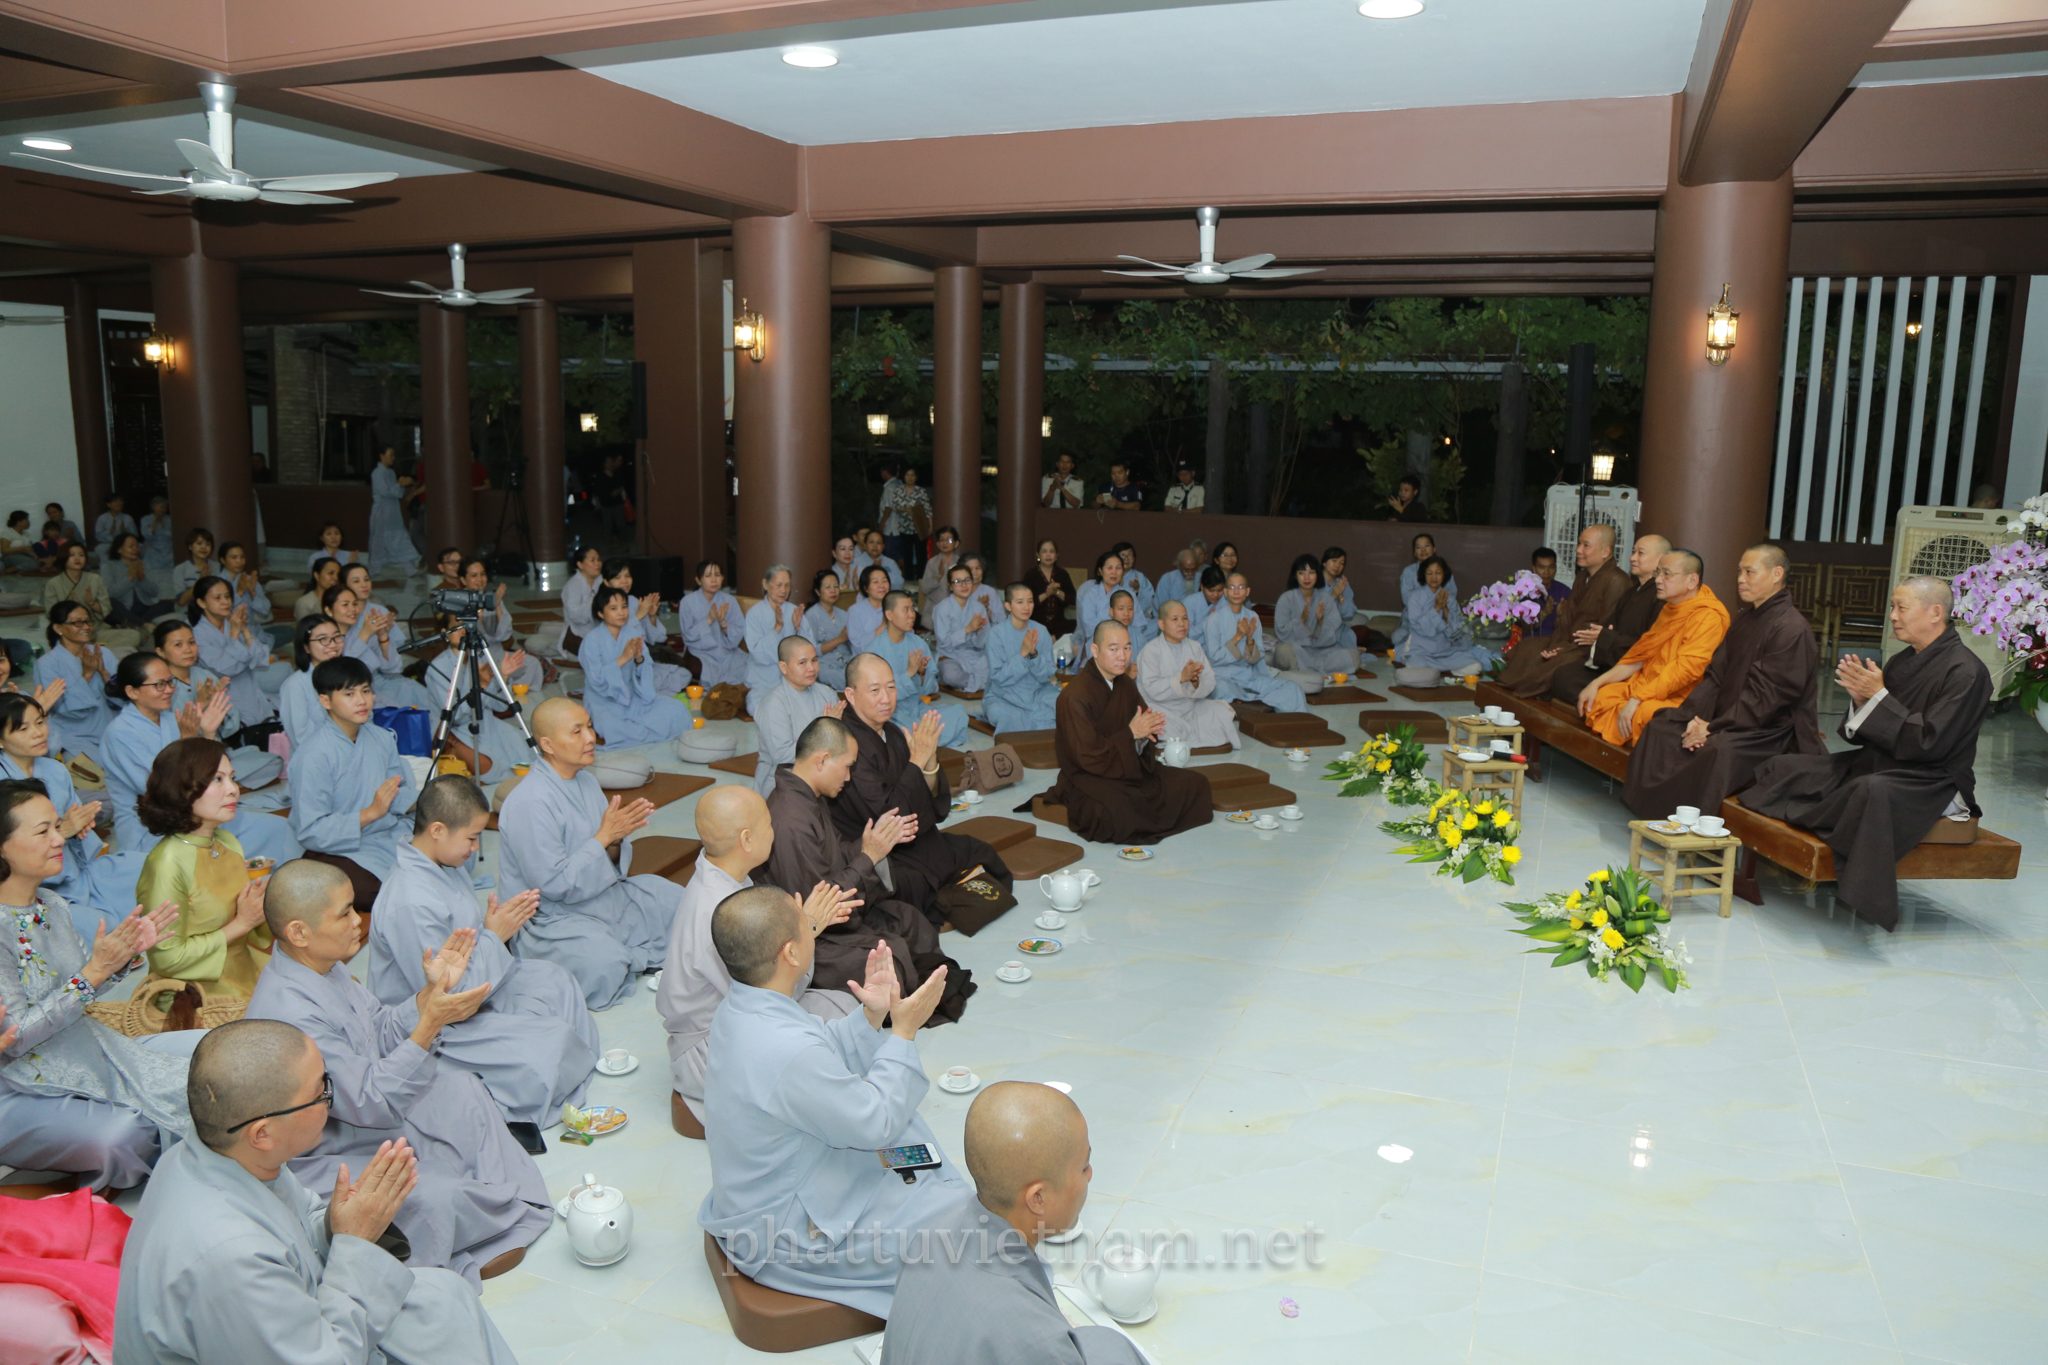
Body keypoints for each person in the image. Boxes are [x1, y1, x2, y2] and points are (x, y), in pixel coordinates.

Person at [115, 1020, 519, 1365]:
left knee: (443, 1296)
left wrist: (336, 1225)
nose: (330, 1098)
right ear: (262, 1133)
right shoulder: (230, 1256)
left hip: (295, 1324)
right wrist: (355, 1243)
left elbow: (296, 1233)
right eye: (320, 1091)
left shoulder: (220, 1154)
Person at [247, 859, 552, 1281]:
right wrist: (429, 1025)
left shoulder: (324, 968)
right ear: (299, 932)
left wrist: (430, 994)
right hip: (326, 1150)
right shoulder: (290, 1011)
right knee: (432, 1190)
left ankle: (504, 1201)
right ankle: (482, 1215)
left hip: (367, 1112)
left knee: (461, 1087)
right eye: (345, 913)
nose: (358, 922)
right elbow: (370, 1101)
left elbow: (380, 1029)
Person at [697, 885, 964, 1316]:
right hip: (785, 1232)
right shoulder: (782, 1045)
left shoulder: (742, 1005)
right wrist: (904, 1032)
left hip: (778, 1186)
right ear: (790, 953)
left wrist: (871, 1014)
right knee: (963, 1232)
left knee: (911, 1139)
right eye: (807, 925)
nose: (813, 930)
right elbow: (874, 1122)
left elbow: (819, 1046)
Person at [1744, 577, 1992, 931]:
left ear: (1935, 612)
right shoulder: (1903, 661)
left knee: (1869, 790)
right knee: (1783, 767)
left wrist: (1878, 698)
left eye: (1901, 608)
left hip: (1932, 779)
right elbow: (1863, 734)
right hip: (1881, 761)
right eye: (1893, 607)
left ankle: (1858, 888)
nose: (1892, 616)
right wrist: (1863, 701)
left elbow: (1930, 743)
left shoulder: (1967, 672)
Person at [370, 775, 599, 1129]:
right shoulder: (410, 900)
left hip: (479, 984)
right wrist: (494, 936)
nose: (476, 848)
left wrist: (493, 929)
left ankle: (566, 1064)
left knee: (557, 980)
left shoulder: (444, 863)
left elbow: (470, 944)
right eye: (472, 837)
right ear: (437, 830)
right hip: (440, 1025)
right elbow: (446, 996)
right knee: (546, 1046)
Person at [0, 780, 191, 1192]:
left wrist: (119, 962)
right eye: (43, 831)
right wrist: (95, 973)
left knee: (204, 1055)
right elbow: (14, 1039)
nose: (59, 839)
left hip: (83, 1045)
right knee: (127, 1135)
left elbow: (86, 982)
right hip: (17, 1084)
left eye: (57, 826)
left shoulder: (51, 904)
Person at [885, 1082, 1143, 1365]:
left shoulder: (929, 1237)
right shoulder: (1034, 1339)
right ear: (1038, 1198)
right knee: (1112, 1346)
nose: (1090, 1174)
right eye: (1084, 1167)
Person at [660, 784, 863, 1125]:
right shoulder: (719, 911)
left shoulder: (724, 878)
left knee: (844, 1009)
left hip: (736, 1020)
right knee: (828, 1047)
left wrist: (800, 927)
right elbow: (770, 998)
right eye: (769, 824)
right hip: (714, 1049)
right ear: (747, 839)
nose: (774, 832)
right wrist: (806, 928)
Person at [764, 715, 976, 997]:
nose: (848, 777)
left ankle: (931, 987)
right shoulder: (791, 819)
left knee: (909, 919)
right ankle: (914, 1000)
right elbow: (819, 907)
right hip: (812, 938)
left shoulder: (808, 796)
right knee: (891, 957)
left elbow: (837, 853)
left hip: (839, 911)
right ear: (822, 760)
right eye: (847, 767)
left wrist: (871, 842)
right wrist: (868, 856)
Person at [1624, 543, 1825, 818]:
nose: (1741, 579)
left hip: (1768, 730)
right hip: (1728, 718)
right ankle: (1654, 815)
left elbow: (1768, 699)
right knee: (1662, 726)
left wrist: (1713, 727)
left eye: (1749, 572)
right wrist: (1697, 718)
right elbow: (1715, 675)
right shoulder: (1745, 620)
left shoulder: (1791, 629)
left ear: (1776, 574)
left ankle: (1693, 824)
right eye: (1739, 571)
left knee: (1718, 749)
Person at [496, 698, 673, 1009]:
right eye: (577, 732)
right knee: (602, 961)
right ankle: (622, 955)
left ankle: (629, 952)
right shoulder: (530, 802)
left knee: (675, 900)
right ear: (547, 745)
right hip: (552, 918)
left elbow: (611, 859)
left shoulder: (587, 781)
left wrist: (616, 839)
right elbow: (554, 884)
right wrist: (604, 836)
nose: (591, 737)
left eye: (589, 727)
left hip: (603, 894)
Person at [835, 654, 1014, 928]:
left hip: (917, 838)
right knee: (914, 887)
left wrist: (929, 762)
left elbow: (926, 799)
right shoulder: (847, 747)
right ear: (851, 695)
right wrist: (916, 762)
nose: (886, 698)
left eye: (891, 687)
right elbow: (888, 816)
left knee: (978, 851)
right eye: (875, 690)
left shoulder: (892, 732)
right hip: (882, 853)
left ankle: (955, 897)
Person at [100, 650, 302, 868]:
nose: (169, 689)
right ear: (132, 691)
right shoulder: (120, 732)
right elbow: (162, 791)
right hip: (153, 829)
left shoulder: (170, 719)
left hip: (197, 816)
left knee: (279, 828)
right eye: (159, 685)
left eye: (170, 682)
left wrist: (208, 734)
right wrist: (186, 741)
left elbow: (208, 772)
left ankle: (283, 882)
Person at [1046, 621, 1212, 845]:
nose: (1122, 656)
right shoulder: (1073, 696)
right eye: (1113, 649)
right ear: (1095, 650)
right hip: (1088, 777)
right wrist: (1131, 734)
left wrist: (1143, 736)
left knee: (1196, 784)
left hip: (1129, 768)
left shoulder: (1125, 683)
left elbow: (1143, 731)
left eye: (1127, 648)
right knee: (1115, 811)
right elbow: (1086, 755)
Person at [135, 737, 274, 999]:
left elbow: (250, 922)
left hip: (243, 967)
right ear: (182, 788)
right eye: (218, 779)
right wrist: (241, 924)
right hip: (197, 993)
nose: (233, 789)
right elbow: (166, 958)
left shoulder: (226, 841)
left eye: (232, 778)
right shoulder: (166, 863)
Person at [0, 694, 147, 941]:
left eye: (40, 722)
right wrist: (63, 830)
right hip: (37, 887)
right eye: (23, 729)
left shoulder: (55, 769)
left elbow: (74, 820)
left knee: (146, 866)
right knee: (107, 927)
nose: (38, 733)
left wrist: (81, 825)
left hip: (76, 869)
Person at [289, 657, 419, 908]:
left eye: (366, 691)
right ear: (325, 701)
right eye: (349, 694)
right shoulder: (313, 755)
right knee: (369, 890)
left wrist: (429, 801)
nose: (361, 701)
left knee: (448, 852)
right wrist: (370, 813)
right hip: (336, 847)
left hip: (385, 834)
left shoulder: (381, 738)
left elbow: (397, 793)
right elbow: (311, 830)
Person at [1578, 550, 1730, 746]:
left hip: (1681, 696)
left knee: (1643, 713)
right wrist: (1597, 683)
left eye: (1667, 574)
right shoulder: (1670, 609)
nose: (1658, 580)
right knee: (1600, 696)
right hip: (1649, 684)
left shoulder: (1709, 617)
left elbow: (1686, 670)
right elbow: (1640, 657)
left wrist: (1638, 698)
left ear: (1692, 580)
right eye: (1658, 572)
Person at [1495, 525, 1629, 700]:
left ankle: (1525, 697)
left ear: (1606, 552)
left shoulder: (1617, 581)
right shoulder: (1582, 577)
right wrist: (1557, 645)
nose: (1578, 550)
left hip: (1588, 649)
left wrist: (1564, 649)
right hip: (1568, 640)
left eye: (1586, 545)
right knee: (1529, 648)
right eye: (1579, 543)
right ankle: (1507, 692)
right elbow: (1567, 617)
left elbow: (1604, 629)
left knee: (1555, 664)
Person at [1548, 533, 1670, 705]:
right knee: (1563, 676)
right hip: (1614, 661)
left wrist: (1607, 637)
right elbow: (1610, 627)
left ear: (1661, 559)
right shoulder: (1630, 593)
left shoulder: (1661, 598)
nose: (1632, 558)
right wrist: (1602, 636)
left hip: (1635, 670)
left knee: (1581, 685)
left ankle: (1608, 704)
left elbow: (1650, 645)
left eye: (1640, 553)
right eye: (1633, 552)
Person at [579, 585, 694, 747]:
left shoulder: (632, 633)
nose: (621, 612)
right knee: (613, 726)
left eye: (624, 607)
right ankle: (642, 731)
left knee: (677, 709)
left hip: (633, 697)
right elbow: (595, 679)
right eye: (613, 608)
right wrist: (623, 659)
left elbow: (646, 670)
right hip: (604, 701)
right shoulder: (591, 640)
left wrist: (639, 659)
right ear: (600, 613)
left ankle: (641, 731)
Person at [1137, 597, 1240, 750]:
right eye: (1175, 619)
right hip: (1162, 708)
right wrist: (1181, 678)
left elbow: (1210, 680)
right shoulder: (1150, 651)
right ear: (1161, 624)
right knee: (1159, 725)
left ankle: (1181, 740)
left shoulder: (1194, 647)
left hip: (1190, 706)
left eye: (1185, 618)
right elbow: (1150, 687)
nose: (1182, 624)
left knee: (1221, 712)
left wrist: (1196, 683)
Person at [870, 590, 969, 748]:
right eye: (905, 610)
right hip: (891, 714)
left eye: (912, 608)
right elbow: (875, 695)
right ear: (889, 615)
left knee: (958, 714)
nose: (912, 615)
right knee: (901, 731)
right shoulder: (874, 651)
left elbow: (931, 689)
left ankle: (921, 743)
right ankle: (922, 742)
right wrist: (909, 673)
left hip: (917, 708)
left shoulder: (918, 643)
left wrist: (922, 674)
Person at [1204, 571, 1311, 711]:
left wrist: (1249, 640)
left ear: (1247, 592)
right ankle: (1258, 705)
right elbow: (1213, 658)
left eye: (1241, 587)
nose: (1236, 592)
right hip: (1223, 677)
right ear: (1225, 592)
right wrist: (1237, 637)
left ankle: (1258, 706)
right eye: (1232, 587)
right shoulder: (1213, 619)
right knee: (1225, 693)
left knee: (1292, 688)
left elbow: (1258, 656)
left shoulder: (1252, 616)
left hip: (1250, 677)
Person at [751, 635, 843, 798]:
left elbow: (842, 740)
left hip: (825, 775)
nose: (811, 668)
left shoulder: (827, 693)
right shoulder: (774, 703)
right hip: (783, 780)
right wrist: (824, 732)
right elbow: (782, 756)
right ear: (784, 667)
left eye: (814, 660)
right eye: (802, 663)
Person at [191, 575, 283, 732]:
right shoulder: (198, 634)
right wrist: (234, 633)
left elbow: (261, 660)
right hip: (227, 697)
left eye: (227, 596)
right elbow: (228, 668)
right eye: (217, 598)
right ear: (201, 603)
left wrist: (244, 630)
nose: (225, 602)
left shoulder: (232, 624)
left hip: (251, 691)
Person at [326, 582, 434, 710]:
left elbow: (392, 668)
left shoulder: (361, 630)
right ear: (328, 610)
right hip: (360, 692)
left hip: (386, 683)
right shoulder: (326, 638)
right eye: (345, 605)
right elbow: (345, 668)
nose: (353, 609)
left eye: (355, 604)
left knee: (426, 698)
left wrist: (382, 636)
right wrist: (365, 633)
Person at [33, 601, 116, 761]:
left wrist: (104, 674)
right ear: (59, 628)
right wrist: (87, 675)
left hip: (111, 730)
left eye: (88, 621)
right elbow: (66, 710)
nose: (86, 627)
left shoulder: (103, 653)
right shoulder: (47, 663)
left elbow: (126, 697)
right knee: (91, 772)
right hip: (74, 737)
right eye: (78, 623)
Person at [1398, 556, 1498, 677]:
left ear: (1444, 575)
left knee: (1475, 667)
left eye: (1438, 573)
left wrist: (1446, 613)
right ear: (1423, 575)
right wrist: (1436, 608)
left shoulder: (1450, 600)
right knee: (1415, 665)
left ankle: (1439, 670)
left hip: (1446, 651)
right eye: (1429, 573)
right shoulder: (1415, 598)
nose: (1434, 577)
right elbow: (1419, 628)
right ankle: (1442, 670)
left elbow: (1455, 633)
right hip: (1422, 651)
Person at [602, 558, 690, 693]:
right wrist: (639, 615)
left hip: (641, 661)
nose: (624, 581)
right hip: (619, 663)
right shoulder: (603, 605)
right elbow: (613, 636)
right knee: (642, 685)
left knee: (683, 674)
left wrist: (651, 615)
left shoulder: (633, 601)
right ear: (606, 582)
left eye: (627, 576)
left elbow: (655, 638)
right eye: (618, 577)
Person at [984, 583, 1061, 734]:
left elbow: (1047, 674)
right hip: (1005, 695)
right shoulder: (996, 634)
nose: (1026, 607)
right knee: (1000, 714)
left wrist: (1034, 654)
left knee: (1065, 705)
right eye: (1020, 602)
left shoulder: (1041, 631)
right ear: (1008, 606)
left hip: (1037, 691)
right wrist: (1023, 654)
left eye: (1030, 601)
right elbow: (998, 677)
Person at [1273, 553, 1359, 676]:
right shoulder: (1286, 599)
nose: (1306, 578)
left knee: (1354, 656)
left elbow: (1333, 630)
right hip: (1297, 650)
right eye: (1302, 573)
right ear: (1295, 576)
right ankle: (1317, 671)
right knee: (1282, 651)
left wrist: (1321, 622)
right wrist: (1301, 620)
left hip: (1322, 650)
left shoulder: (1326, 599)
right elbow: (1282, 631)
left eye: (1311, 573)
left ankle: (1305, 671)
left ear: (1317, 575)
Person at [678, 559, 747, 687]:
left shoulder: (730, 600)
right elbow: (687, 634)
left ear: (722, 578)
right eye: (708, 576)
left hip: (726, 651)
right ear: (699, 580)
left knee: (748, 665)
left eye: (717, 575)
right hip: (700, 652)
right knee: (695, 669)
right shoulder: (687, 602)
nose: (714, 580)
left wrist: (723, 623)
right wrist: (708, 620)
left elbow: (739, 630)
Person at [743, 564, 804, 696]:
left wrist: (798, 629)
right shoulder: (754, 614)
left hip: (793, 679)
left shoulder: (794, 611)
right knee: (758, 705)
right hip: (762, 679)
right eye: (778, 585)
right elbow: (757, 654)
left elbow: (809, 649)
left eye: (787, 585)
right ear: (765, 584)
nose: (784, 590)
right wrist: (777, 628)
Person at [932, 562, 993, 692]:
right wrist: (968, 629)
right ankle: (985, 683)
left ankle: (974, 682)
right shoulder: (942, 608)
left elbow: (984, 643)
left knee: (999, 665)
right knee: (951, 675)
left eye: (967, 580)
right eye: (958, 582)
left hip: (975, 656)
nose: (964, 585)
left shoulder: (979, 607)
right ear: (950, 586)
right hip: (950, 656)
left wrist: (978, 632)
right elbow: (944, 644)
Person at [1074, 550, 1134, 663]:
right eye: (1109, 568)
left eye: (1118, 568)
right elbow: (1089, 625)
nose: (1114, 572)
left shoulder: (1129, 594)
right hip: (1098, 640)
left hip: (1125, 639)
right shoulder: (1090, 594)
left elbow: (1138, 623)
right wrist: (1113, 628)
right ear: (1100, 570)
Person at [369, 447, 422, 576]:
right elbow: (385, 492)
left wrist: (401, 485)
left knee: (399, 537)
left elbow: (398, 494)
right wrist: (399, 484)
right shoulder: (377, 473)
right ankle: (374, 570)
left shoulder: (391, 472)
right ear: (382, 455)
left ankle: (410, 568)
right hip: (382, 511)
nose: (393, 458)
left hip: (393, 511)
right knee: (379, 540)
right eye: (390, 455)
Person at [1389, 532, 1444, 654]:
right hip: (1413, 622)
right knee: (1397, 638)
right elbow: (1407, 600)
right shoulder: (1409, 572)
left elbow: (1450, 597)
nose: (1423, 550)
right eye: (1419, 547)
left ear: (1434, 549)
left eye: (1427, 546)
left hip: (1438, 620)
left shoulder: (1444, 570)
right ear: (1414, 553)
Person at [803, 568, 854, 691]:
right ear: (818, 591)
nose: (833, 591)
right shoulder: (811, 615)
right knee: (835, 676)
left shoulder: (843, 614)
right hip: (825, 664)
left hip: (846, 661)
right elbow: (811, 650)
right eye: (828, 587)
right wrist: (839, 639)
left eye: (836, 587)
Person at [41, 541, 113, 626]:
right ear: (63, 557)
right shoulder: (53, 583)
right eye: (72, 555)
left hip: (94, 626)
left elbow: (106, 609)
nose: (77, 558)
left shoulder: (95, 579)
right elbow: (51, 614)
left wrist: (91, 603)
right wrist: (72, 607)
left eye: (81, 555)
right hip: (68, 629)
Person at [880, 465, 931, 574]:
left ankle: (921, 577)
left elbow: (927, 509)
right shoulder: (898, 490)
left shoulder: (921, 491)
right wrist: (904, 509)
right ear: (904, 477)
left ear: (916, 477)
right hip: (903, 527)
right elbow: (894, 506)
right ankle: (908, 577)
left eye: (912, 475)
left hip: (919, 527)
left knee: (921, 553)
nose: (910, 478)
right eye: (907, 475)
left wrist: (930, 526)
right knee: (906, 553)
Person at [103, 532, 161, 627]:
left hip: (145, 607)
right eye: (131, 546)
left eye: (137, 546)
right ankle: (144, 624)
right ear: (119, 549)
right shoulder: (109, 567)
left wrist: (141, 579)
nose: (135, 549)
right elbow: (110, 593)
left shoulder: (143, 565)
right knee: (111, 604)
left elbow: (155, 592)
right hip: (124, 609)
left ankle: (135, 622)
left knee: (168, 604)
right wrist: (129, 579)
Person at [218, 539, 272, 626]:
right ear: (223, 560)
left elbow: (265, 611)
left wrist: (253, 593)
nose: (239, 561)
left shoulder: (249, 580)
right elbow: (220, 614)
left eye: (242, 557)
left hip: (253, 630)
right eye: (234, 557)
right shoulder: (216, 584)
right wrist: (239, 593)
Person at [1024, 538, 1073, 634]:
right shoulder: (1031, 574)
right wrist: (1047, 594)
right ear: (1038, 555)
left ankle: (1055, 637)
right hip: (1036, 623)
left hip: (1059, 623)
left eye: (1052, 551)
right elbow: (1026, 602)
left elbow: (1073, 599)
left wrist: (1057, 592)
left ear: (1057, 555)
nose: (1048, 555)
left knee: (1077, 625)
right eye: (1044, 551)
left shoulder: (1062, 574)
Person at [560, 544, 605, 650]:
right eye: (592, 560)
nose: (597, 563)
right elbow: (574, 616)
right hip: (578, 632)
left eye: (598, 560)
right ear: (580, 565)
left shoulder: (602, 581)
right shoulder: (573, 585)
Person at [847, 563, 893, 653]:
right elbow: (858, 646)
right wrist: (883, 626)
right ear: (866, 588)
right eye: (875, 582)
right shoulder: (855, 611)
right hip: (866, 659)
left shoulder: (894, 607)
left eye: (884, 581)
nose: (881, 585)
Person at [170, 528, 219, 609]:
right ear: (190, 546)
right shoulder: (180, 569)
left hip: (213, 610)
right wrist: (200, 583)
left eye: (208, 544)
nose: (204, 547)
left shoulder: (217, 567)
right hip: (187, 613)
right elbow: (181, 601)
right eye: (199, 543)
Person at [1528, 547, 1571, 636]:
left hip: (1555, 641)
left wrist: (1559, 617)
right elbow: (1526, 628)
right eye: (1542, 567)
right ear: (1534, 568)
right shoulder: (1525, 591)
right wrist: (1544, 613)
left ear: (1555, 568)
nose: (1546, 572)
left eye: (1551, 567)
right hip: (1530, 641)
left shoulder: (1565, 592)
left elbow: (1567, 630)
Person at [918, 525, 963, 605]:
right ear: (938, 544)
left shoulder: (960, 563)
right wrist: (938, 577)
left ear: (956, 543)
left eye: (949, 540)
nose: (945, 543)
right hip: (934, 605)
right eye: (941, 540)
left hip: (956, 605)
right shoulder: (932, 563)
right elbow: (924, 589)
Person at [1183, 563, 1228, 638]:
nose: (1216, 595)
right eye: (1211, 590)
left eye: (1220, 590)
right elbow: (1187, 634)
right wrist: (1208, 620)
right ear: (1202, 586)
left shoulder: (1226, 601)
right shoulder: (1190, 602)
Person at [91, 495, 137, 567]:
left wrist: (124, 531)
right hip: (108, 543)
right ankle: (107, 568)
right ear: (109, 504)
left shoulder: (128, 518)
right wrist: (110, 531)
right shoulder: (102, 518)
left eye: (121, 501)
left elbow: (135, 535)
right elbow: (98, 536)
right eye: (115, 501)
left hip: (124, 544)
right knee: (100, 549)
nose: (119, 503)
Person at [292, 555, 341, 622]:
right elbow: (306, 627)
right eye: (331, 573)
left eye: (338, 574)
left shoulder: (341, 599)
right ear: (317, 575)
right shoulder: (305, 603)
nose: (336, 578)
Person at [138, 496, 174, 577]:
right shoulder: (146, 519)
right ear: (154, 507)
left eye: (165, 507)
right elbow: (146, 535)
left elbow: (173, 534)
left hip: (168, 550)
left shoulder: (169, 519)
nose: (163, 509)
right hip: (152, 550)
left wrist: (163, 524)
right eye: (161, 507)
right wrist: (156, 521)